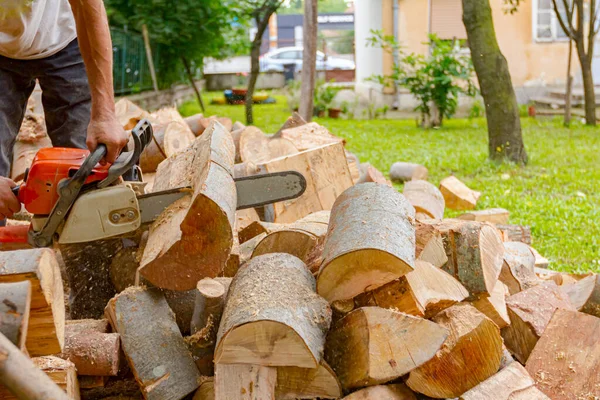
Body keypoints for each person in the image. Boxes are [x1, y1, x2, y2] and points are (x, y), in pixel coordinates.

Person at [0, 0, 128, 220]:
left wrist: (105, 114)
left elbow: (89, 7)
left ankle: (92, 246)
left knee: (87, 166)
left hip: (64, 36)